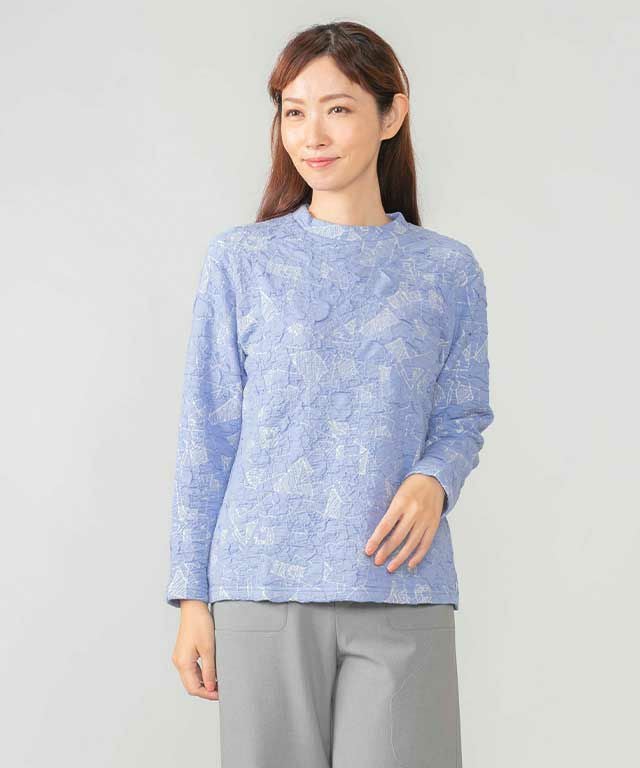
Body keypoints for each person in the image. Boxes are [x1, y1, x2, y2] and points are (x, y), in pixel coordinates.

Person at [167, 20, 494, 768]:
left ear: (391, 114)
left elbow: (463, 413)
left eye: (338, 108)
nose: (311, 134)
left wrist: (435, 478)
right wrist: (191, 599)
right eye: (294, 111)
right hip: (261, 588)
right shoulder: (242, 261)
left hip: (401, 587)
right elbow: (205, 433)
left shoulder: (446, 270)